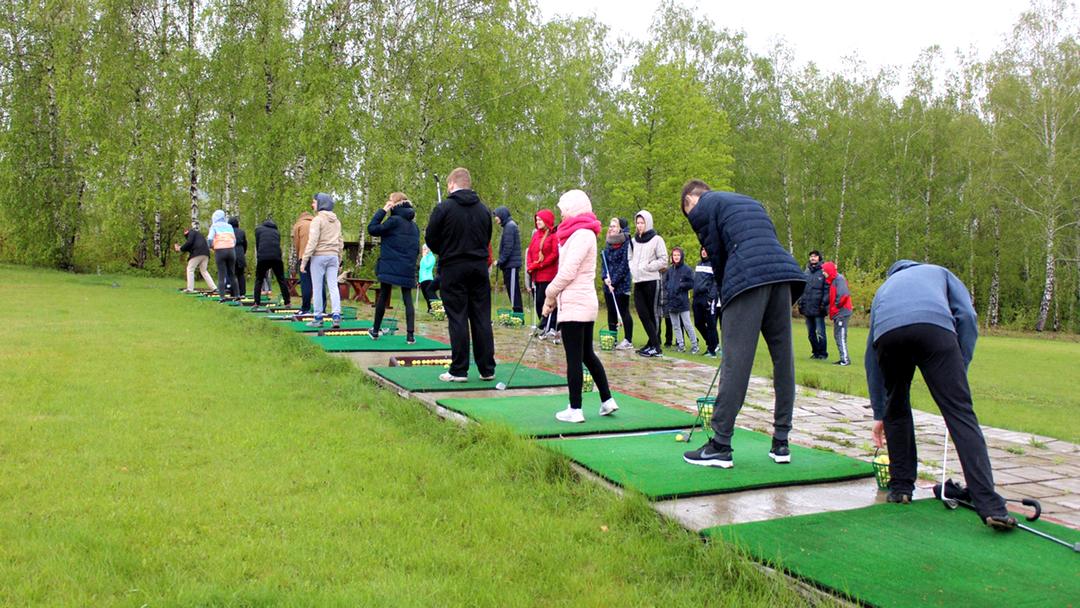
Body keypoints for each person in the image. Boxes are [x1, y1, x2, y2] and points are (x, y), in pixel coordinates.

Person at [865, 260, 1016, 530]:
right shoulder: (939, 272)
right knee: (960, 414)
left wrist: (880, 412)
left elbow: (871, 354)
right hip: (934, 329)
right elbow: (966, 316)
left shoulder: (884, 288)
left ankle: (901, 489)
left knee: (896, 408)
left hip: (889, 335)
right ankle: (990, 506)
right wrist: (960, 366)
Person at [679, 181, 806, 469]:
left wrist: (726, 298)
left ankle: (720, 445)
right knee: (783, 359)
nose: (691, 218)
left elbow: (716, 257)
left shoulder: (702, 206)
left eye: (688, 213)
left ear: (690, 200)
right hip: (782, 276)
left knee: (736, 362)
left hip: (748, 279)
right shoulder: (749, 201)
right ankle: (781, 442)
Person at [542, 190, 619, 423]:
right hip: (580, 303)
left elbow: (568, 272)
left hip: (576, 305)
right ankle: (607, 400)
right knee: (586, 354)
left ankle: (575, 409)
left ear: (574, 209)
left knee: (574, 358)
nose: (561, 215)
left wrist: (549, 294)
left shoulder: (582, 234)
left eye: (564, 210)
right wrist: (553, 298)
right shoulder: (578, 233)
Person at [424, 167, 497, 382]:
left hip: (453, 267)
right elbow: (487, 238)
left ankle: (459, 370)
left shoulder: (444, 208)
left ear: (451, 184)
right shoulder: (484, 210)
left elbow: (430, 238)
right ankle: (487, 368)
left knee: (457, 317)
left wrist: (445, 250)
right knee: (481, 317)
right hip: (479, 268)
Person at [367, 192, 420, 344]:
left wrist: (383, 210)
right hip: (407, 266)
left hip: (390, 265)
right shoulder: (414, 226)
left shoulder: (393, 221)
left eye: (390, 200)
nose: (388, 202)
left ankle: (375, 331)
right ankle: (410, 336)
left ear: (395, 203)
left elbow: (372, 229)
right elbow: (416, 248)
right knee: (407, 299)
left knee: (383, 296)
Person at [300, 193, 344, 328]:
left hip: (319, 256)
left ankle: (318, 318)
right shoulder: (337, 221)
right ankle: (336, 316)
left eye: (314, 202)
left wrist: (304, 260)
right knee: (333, 286)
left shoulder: (317, 220)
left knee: (317, 287)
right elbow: (340, 241)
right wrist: (339, 257)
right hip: (333, 256)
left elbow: (312, 242)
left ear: (321, 203)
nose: (312, 205)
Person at [628, 210, 667, 357]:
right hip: (638, 281)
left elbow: (663, 260)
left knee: (652, 314)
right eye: (637, 223)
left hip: (651, 280)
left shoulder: (657, 239)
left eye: (642, 223)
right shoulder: (634, 241)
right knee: (642, 314)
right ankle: (651, 342)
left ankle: (656, 346)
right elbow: (630, 257)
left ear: (648, 223)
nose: (639, 225)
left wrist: (648, 267)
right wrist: (633, 267)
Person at [600, 217, 634, 350]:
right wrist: (605, 278)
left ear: (620, 228)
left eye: (614, 226)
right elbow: (604, 263)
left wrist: (614, 282)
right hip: (608, 284)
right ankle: (612, 338)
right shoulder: (608, 243)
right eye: (610, 226)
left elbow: (625, 265)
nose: (611, 228)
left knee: (624, 311)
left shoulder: (627, 243)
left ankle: (628, 340)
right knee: (611, 312)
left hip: (621, 284)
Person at [526, 208, 559, 337]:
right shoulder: (535, 235)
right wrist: (530, 265)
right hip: (536, 274)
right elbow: (530, 251)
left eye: (540, 220)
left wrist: (540, 264)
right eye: (537, 220)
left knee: (546, 300)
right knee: (538, 302)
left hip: (548, 274)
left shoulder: (553, 236)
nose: (538, 222)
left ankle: (550, 326)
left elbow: (554, 254)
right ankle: (542, 325)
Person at [663, 247, 699, 354]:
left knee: (687, 325)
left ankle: (695, 346)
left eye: (678, 255)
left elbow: (692, 283)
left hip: (683, 301)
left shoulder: (687, 269)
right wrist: (669, 288)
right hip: (671, 301)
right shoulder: (670, 270)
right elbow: (665, 282)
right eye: (674, 255)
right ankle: (681, 345)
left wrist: (681, 285)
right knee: (675, 325)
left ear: (681, 256)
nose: (676, 257)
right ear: (672, 257)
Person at [252, 217, 291, 308]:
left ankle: (256, 302)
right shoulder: (277, 232)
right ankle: (287, 302)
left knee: (259, 279)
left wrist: (259, 257)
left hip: (263, 257)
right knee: (281, 279)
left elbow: (258, 245)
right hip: (276, 257)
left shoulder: (258, 230)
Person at [799, 250, 829, 360]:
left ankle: (823, 353)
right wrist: (801, 302)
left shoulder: (823, 272)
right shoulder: (806, 272)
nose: (812, 258)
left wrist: (824, 303)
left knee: (820, 332)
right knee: (811, 334)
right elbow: (802, 289)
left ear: (819, 258)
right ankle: (815, 352)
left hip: (819, 308)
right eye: (811, 256)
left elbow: (827, 290)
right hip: (807, 307)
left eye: (815, 256)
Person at [493, 206, 524, 314]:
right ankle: (517, 315)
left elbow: (508, 248)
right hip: (509, 266)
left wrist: (499, 261)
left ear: (502, 215)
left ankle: (518, 316)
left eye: (497, 216)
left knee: (514, 292)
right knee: (512, 292)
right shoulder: (507, 226)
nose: (495, 218)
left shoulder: (510, 227)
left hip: (512, 266)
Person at [692, 246, 720, 357]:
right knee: (698, 323)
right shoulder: (699, 264)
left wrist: (710, 298)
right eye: (702, 250)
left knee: (711, 324)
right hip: (697, 297)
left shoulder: (714, 264)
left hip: (708, 298)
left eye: (706, 250)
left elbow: (715, 283)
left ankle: (712, 350)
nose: (704, 252)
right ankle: (713, 343)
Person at [822, 261, 852, 366]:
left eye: (824, 271)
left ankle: (845, 360)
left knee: (841, 335)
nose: (823, 273)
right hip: (839, 312)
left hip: (842, 312)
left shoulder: (839, 279)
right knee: (837, 335)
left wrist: (836, 307)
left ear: (829, 271)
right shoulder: (833, 280)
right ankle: (843, 358)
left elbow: (843, 295)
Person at [206, 209, 239, 299]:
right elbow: (234, 239)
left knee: (221, 274)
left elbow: (210, 238)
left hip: (220, 251)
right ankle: (237, 295)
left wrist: (212, 247)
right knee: (232, 273)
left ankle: (222, 297)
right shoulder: (229, 226)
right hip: (231, 251)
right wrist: (231, 246)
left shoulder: (214, 226)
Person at [175, 227, 217, 292]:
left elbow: (189, 243)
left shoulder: (191, 233)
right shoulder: (198, 235)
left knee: (190, 269)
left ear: (187, 231)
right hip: (206, 253)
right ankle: (214, 288)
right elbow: (190, 246)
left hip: (197, 253)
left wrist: (180, 248)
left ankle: (190, 289)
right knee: (204, 271)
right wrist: (180, 248)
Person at [291, 210, 315, 314]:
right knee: (319, 283)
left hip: (304, 255)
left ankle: (306, 308)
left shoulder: (298, 225)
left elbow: (296, 243)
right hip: (318, 255)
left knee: (306, 282)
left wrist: (299, 255)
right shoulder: (316, 222)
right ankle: (321, 309)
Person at [228, 216, 248, 297]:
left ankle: (233, 292)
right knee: (241, 274)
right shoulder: (242, 232)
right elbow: (245, 244)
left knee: (232, 274)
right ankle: (242, 292)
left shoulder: (228, 232)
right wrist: (243, 252)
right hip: (240, 254)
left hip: (231, 253)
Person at [418, 244, 439, 313]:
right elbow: (421, 269)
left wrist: (424, 257)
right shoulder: (424, 257)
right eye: (422, 249)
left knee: (429, 295)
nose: (423, 250)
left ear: (429, 249)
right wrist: (419, 280)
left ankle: (437, 308)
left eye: (425, 249)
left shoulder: (432, 257)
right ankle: (430, 309)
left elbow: (427, 266)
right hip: (422, 280)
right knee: (426, 296)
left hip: (428, 279)